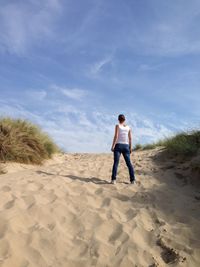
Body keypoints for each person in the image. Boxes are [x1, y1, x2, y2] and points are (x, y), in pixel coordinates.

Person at [111, 114, 135, 184]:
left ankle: (113, 179)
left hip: (118, 145)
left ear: (118, 119)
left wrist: (112, 146)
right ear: (124, 120)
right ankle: (132, 180)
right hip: (126, 146)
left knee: (116, 163)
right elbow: (130, 138)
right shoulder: (128, 127)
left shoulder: (117, 126)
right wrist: (130, 147)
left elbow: (116, 136)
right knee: (129, 164)